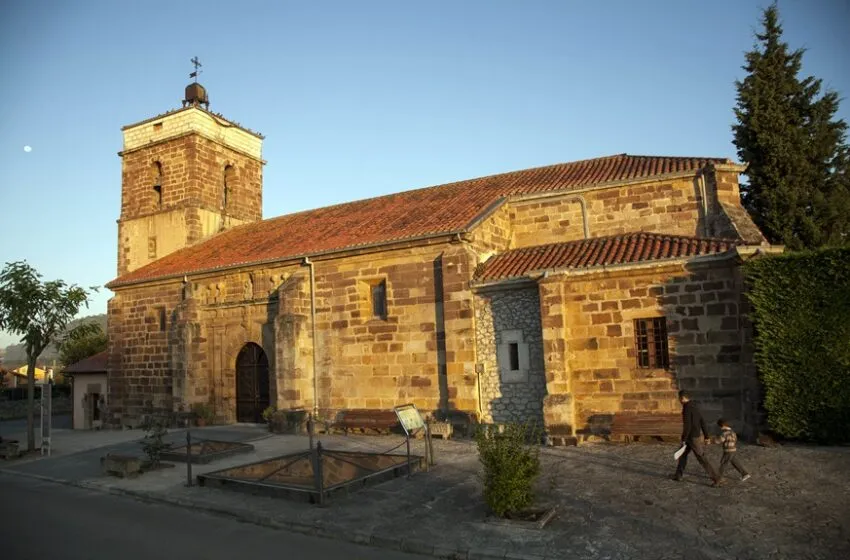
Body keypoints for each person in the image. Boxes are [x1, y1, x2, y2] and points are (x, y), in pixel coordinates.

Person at [672, 390, 723, 486]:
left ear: (682, 398)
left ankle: (716, 478)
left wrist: (683, 439)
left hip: (692, 438)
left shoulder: (686, 408)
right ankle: (678, 475)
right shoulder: (695, 406)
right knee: (682, 456)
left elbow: (688, 426)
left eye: (679, 398)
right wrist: (706, 436)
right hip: (694, 436)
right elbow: (702, 421)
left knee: (702, 458)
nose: (679, 400)